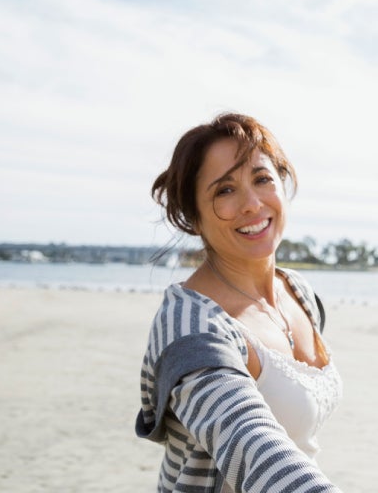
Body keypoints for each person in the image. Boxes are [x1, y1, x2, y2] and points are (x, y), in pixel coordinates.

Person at [136, 113, 343, 492]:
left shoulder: (299, 293)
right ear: (193, 217)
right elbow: (252, 446)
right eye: (224, 191)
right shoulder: (190, 327)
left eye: (262, 179)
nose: (251, 203)